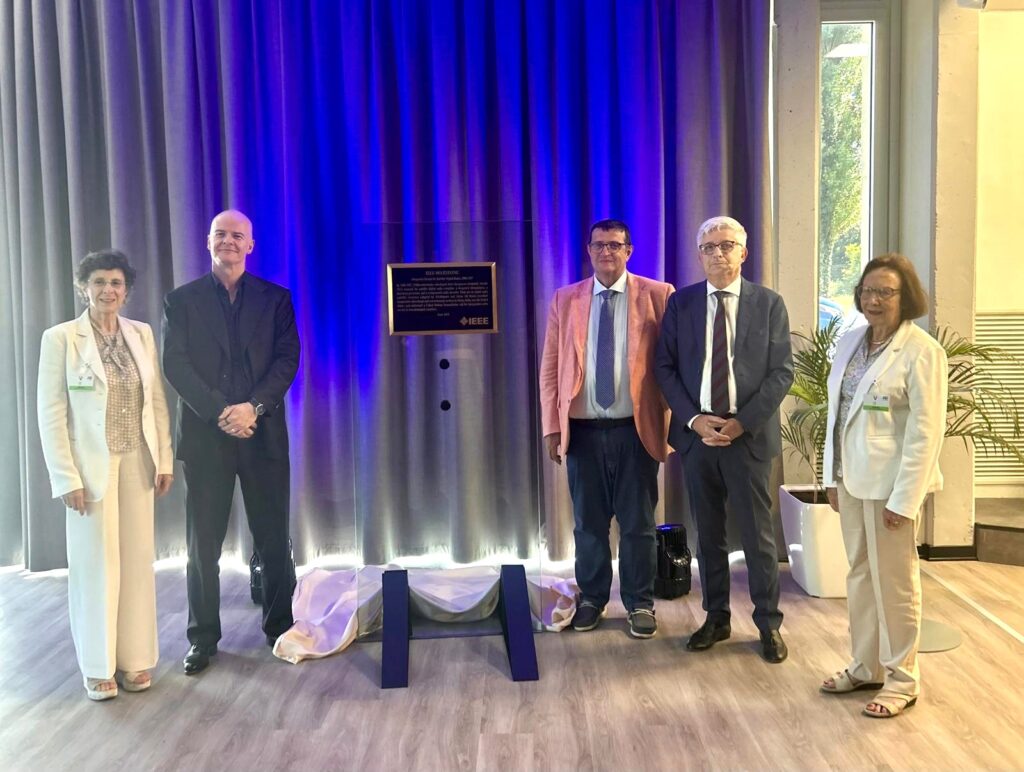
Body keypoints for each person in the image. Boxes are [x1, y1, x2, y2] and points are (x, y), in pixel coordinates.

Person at [163, 209, 300, 674]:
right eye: (220, 234)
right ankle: (202, 638)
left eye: (237, 235)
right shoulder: (179, 301)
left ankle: (280, 628)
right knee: (202, 545)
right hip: (206, 438)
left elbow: (288, 359)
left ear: (250, 245)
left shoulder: (276, 298)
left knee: (273, 537)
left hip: (262, 434)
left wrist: (252, 408)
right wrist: (222, 409)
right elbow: (175, 365)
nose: (228, 241)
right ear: (208, 242)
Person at [655, 215, 793, 663]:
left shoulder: (769, 304)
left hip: (746, 437)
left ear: (743, 252)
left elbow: (781, 373)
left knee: (758, 538)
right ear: (699, 255)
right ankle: (715, 617)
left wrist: (742, 422)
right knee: (708, 534)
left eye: (727, 245)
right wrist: (694, 420)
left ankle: (768, 624)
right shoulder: (683, 304)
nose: (718, 253)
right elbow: (666, 369)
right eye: (710, 246)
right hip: (699, 439)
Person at [37, 250, 174, 701]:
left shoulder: (142, 334)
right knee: (96, 565)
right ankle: (98, 666)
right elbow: (51, 412)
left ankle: (133, 660)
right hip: (89, 469)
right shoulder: (61, 339)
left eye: (115, 283)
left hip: (137, 458)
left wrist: (165, 460)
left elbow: (155, 401)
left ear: (126, 290)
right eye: (98, 282)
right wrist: (65, 476)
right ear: (83, 287)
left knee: (136, 561)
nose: (107, 291)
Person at [820, 254, 947, 718]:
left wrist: (906, 499)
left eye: (885, 292)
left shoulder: (922, 351)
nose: (874, 300)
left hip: (891, 488)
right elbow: (836, 417)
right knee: (858, 575)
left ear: (904, 297)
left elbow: (925, 434)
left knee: (895, 583)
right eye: (868, 291)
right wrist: (829, 477)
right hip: (851, 482)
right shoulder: (852, 341)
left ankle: (902, 679)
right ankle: (866, 664)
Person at [539, 219, 674, 638]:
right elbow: (550, 369)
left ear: (629, 251)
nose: (607, 252)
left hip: (635, 430)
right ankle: (594, 599)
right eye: (599, 245)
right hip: (580, 430)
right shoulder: (567, 299)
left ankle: (639, 603)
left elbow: (671, 365)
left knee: (637, 524)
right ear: (589, 250)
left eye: (616, 245)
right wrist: (550, 428)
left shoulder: (657, 295)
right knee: (588, 524)